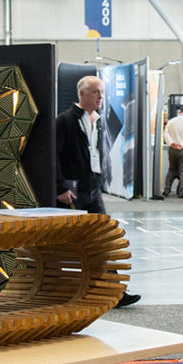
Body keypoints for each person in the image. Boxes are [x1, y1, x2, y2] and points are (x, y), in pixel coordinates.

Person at [54, 75, 139, 305]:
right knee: (70, 244)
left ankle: (114, 292)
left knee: (104, 238)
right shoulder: (65, 121)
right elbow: (53, 156)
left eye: (101, 92)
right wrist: (60, 187)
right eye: (95, 92)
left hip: (93, 190)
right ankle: (66, 291)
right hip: (71, 191)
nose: (100, 96)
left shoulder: (100, 121)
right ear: (81, 94)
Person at [162, 107, 183, 198]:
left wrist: (172, 143)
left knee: (171, 170)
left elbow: (165, 134)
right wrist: (182, 144)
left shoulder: (171, 121)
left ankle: (166, 190)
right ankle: (182, 192)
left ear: (180, 112)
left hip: (172, 150)